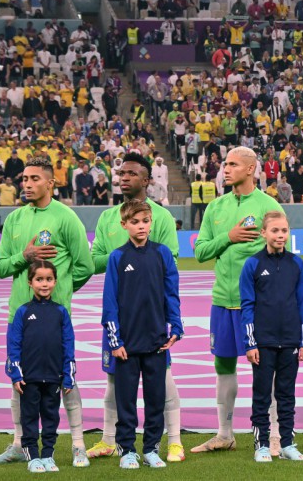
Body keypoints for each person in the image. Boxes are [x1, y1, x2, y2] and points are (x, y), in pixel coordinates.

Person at [0, 156, 93, 468]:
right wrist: (25, 256)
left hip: (55, 319)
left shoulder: (66, 217)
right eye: (24, 179)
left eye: (34, 179)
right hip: (18, 317)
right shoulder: (15, 219)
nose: (27, 184)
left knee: (66, 379)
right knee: (18, 381)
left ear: (51, 183)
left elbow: (85, 266)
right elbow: (0, 268)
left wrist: (60, 294)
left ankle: (78, 445)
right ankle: (20, 444)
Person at [86, 154, 183, 463]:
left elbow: (171, 274)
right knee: (117, 385)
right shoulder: (107, 221)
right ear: (124, 223)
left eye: (132, 173)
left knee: (160, 387)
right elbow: (96, 261)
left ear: (146, 180)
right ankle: (115, 442)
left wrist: (175, 324)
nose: (124, 177)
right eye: (121, 172)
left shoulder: (163, 220)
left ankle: (170, 442)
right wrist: (118, 256)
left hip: (154, 328)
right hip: (122, 329)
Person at [191, 146, 284, 454]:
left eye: (232, 164)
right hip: (222, 301)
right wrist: (228, 237)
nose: (225, 169)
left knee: (266, 368)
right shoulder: (215, 208)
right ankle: (225, 433)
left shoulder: (268, 205)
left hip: (259, 304)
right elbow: (201, 251)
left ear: (250, 169)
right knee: (224, 365)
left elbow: (280, 250)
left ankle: (273, 436)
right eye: (225, 164)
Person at [238, 211, 303, 463]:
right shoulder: (253, 264)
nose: (280, 235)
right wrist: (250, 342)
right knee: (261, 395)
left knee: (286, 395)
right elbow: (247, 305)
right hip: (263, 342)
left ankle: (288, 443)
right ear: (264, 234)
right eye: (275, 231)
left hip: (290, 340)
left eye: (284, 231)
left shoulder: (296, 263)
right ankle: (261, 445)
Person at [5, 260, 76, 473]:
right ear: (30, 282)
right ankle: (33, 457)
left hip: (54, 376)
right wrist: (16, 374)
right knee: (29, 418)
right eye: (39, 279)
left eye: (48, 279)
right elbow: (14, 344)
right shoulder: (23, 312)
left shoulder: (61, 312)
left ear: (55, 282)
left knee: (51, 417)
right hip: (29, 377)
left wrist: (68, 374)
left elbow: (68, 344)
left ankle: (47, 455)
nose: (44, 284)